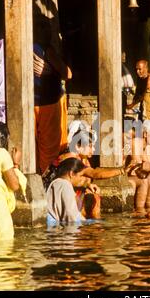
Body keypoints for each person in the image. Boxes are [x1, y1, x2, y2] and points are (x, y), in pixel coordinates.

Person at [33, 15, 72, 173]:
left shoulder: (26, 48)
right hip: (48, 102)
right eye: (43, 27)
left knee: (35, 143)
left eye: (48, 27)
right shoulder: (46, 50)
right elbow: (68, 74)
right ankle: (47, 176)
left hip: (32, 102)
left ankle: (38, 172)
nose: (47, 31)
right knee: (50, 146)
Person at [46, 158, 100, 225]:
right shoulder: (65, 185)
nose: (81, 179)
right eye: (81, 175)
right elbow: (71, 216)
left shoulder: (56, 183)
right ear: (71, 174)